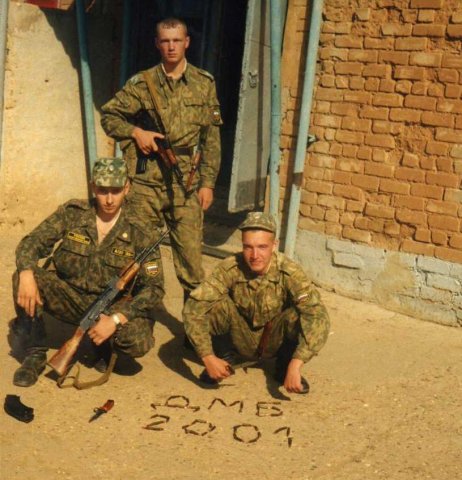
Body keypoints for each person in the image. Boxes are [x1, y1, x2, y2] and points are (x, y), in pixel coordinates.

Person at [100, 17, 222, 305]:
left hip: (186, 183)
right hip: (146, 184)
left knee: (191, 261)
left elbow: (211, 138)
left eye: (176, 40)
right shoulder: (142, 84)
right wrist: (136, 132)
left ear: (186, 42)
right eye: (165, 41)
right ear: (157, 44)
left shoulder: (204, 83)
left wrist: (208, 183)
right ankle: (130, 319)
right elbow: (109, 116)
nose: (171, 47)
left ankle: (195, 324)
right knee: (136, 255)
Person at [12, 158, 164, 387]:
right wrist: (25, 273)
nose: (109, 199)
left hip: (110, 306)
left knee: (136, 340)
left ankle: (102, 345)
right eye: (103, 190)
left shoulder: (141, 230)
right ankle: (35, 353)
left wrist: (115, 319)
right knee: (22, 277)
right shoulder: (73, 213)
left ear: (127, 188)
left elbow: (154, 288)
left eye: (116, 191)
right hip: (69, 297)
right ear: (93, 187)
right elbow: (31, 242)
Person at [183, 212, 330, 394]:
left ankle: (285, 369)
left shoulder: (290, 272)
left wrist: (296, 363)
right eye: (248, 247)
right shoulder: (230, 268)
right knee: (214, 304)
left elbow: (317, 316)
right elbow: (194, 307)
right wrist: (207, 356)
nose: (254, 255)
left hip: (273, 338)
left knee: (299, 315)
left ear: (274, 245)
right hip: (239, 336)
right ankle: (223, 361)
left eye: (262, 247)